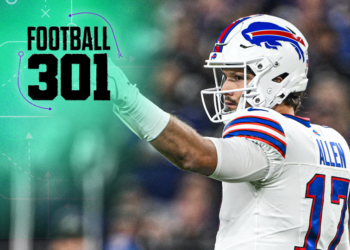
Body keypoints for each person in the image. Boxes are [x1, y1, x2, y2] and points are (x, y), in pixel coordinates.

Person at [107, 14, 350, 249]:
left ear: (279, 78)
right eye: (225, 77)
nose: (225, 88)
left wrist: (127, 99)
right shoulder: (334, 142)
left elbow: (194, 155)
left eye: (237, 77)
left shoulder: (269, 129)